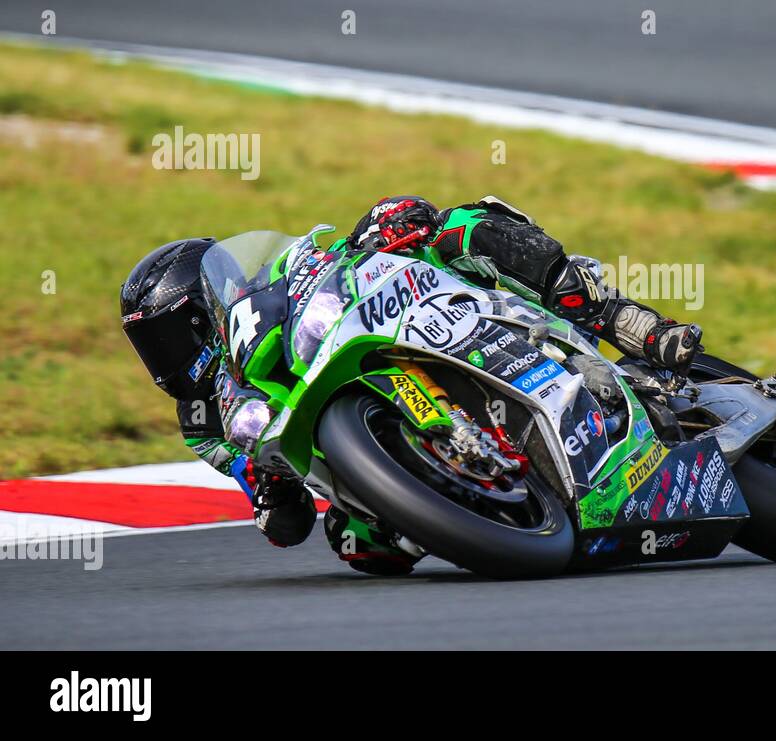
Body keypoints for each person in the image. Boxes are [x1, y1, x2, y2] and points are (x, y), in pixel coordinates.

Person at [119, 196, 702, 574]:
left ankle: (622, 319)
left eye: (168, 340)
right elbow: (283, 519)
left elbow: (326, 261)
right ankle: (480, 499)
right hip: (363, 449)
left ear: (203, 311)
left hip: (413, 318)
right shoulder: (207, 425)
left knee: (461, 225)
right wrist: (270, 499)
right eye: (151, 350)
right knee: (357, 546)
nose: (164, 363)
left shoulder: (267, 287)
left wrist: (388, 225)